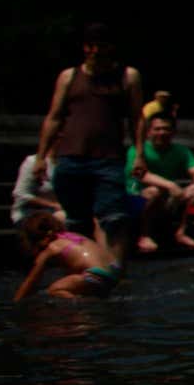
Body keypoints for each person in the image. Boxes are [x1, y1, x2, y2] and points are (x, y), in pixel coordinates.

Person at [35, 23, 147, 261]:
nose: (95, 51)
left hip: (108, 158)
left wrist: (139, 153)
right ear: (84, 48)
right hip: (71, 157)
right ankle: (84, 271)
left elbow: (137, 118)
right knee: (76, 222)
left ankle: (112, 273)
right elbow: (54, 117)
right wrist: (40, 157)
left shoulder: (127, 76)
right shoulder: (69, 76)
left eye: (101, 46)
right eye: (90, 46)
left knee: (114, 219)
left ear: (111, 47)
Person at [126, 113, 194, 253]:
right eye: (157, 129)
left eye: (166, 129)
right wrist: (169, 185)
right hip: (136, 200)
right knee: (155, 191)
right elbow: (139, 174)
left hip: (166, 200)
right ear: (148, 132)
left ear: (173, 132)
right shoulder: (137, 149)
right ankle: (144, 235)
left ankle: (183, 232)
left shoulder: (181, 151)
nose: (162, 132)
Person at [13, 213, 124, 301]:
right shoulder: (74, 236)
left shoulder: (51, 249)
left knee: (55, 289)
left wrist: (16, 301)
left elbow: (31, 280)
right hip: (114, 270)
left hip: (94, 275)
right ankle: (98, 298)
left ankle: (85, 304)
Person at [11, 151, 64, 225]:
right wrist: (53, 205)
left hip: (59, 211)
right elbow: (21, 194)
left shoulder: (67, 164)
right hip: (32, 213)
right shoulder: (33, 162)